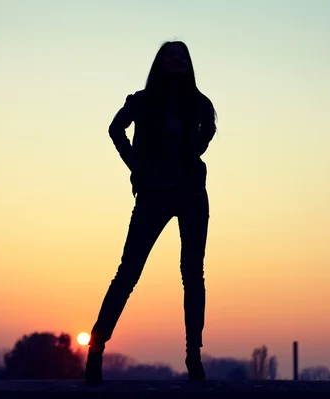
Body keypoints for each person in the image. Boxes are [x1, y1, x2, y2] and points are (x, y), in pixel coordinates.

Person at [85, 40, 218, 384]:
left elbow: (210, 130)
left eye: (181, 57)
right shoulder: (142, 101)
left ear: (188, 64)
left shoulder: (198, 104)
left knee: (193, 275)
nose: (175, 61)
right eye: (169, 56)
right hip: (153, 194)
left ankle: (193, 356)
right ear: (160, 63)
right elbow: (115, 129)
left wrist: (193, 156)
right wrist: (137, 167)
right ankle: (96, 347)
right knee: (128, 273)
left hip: (191, 194)